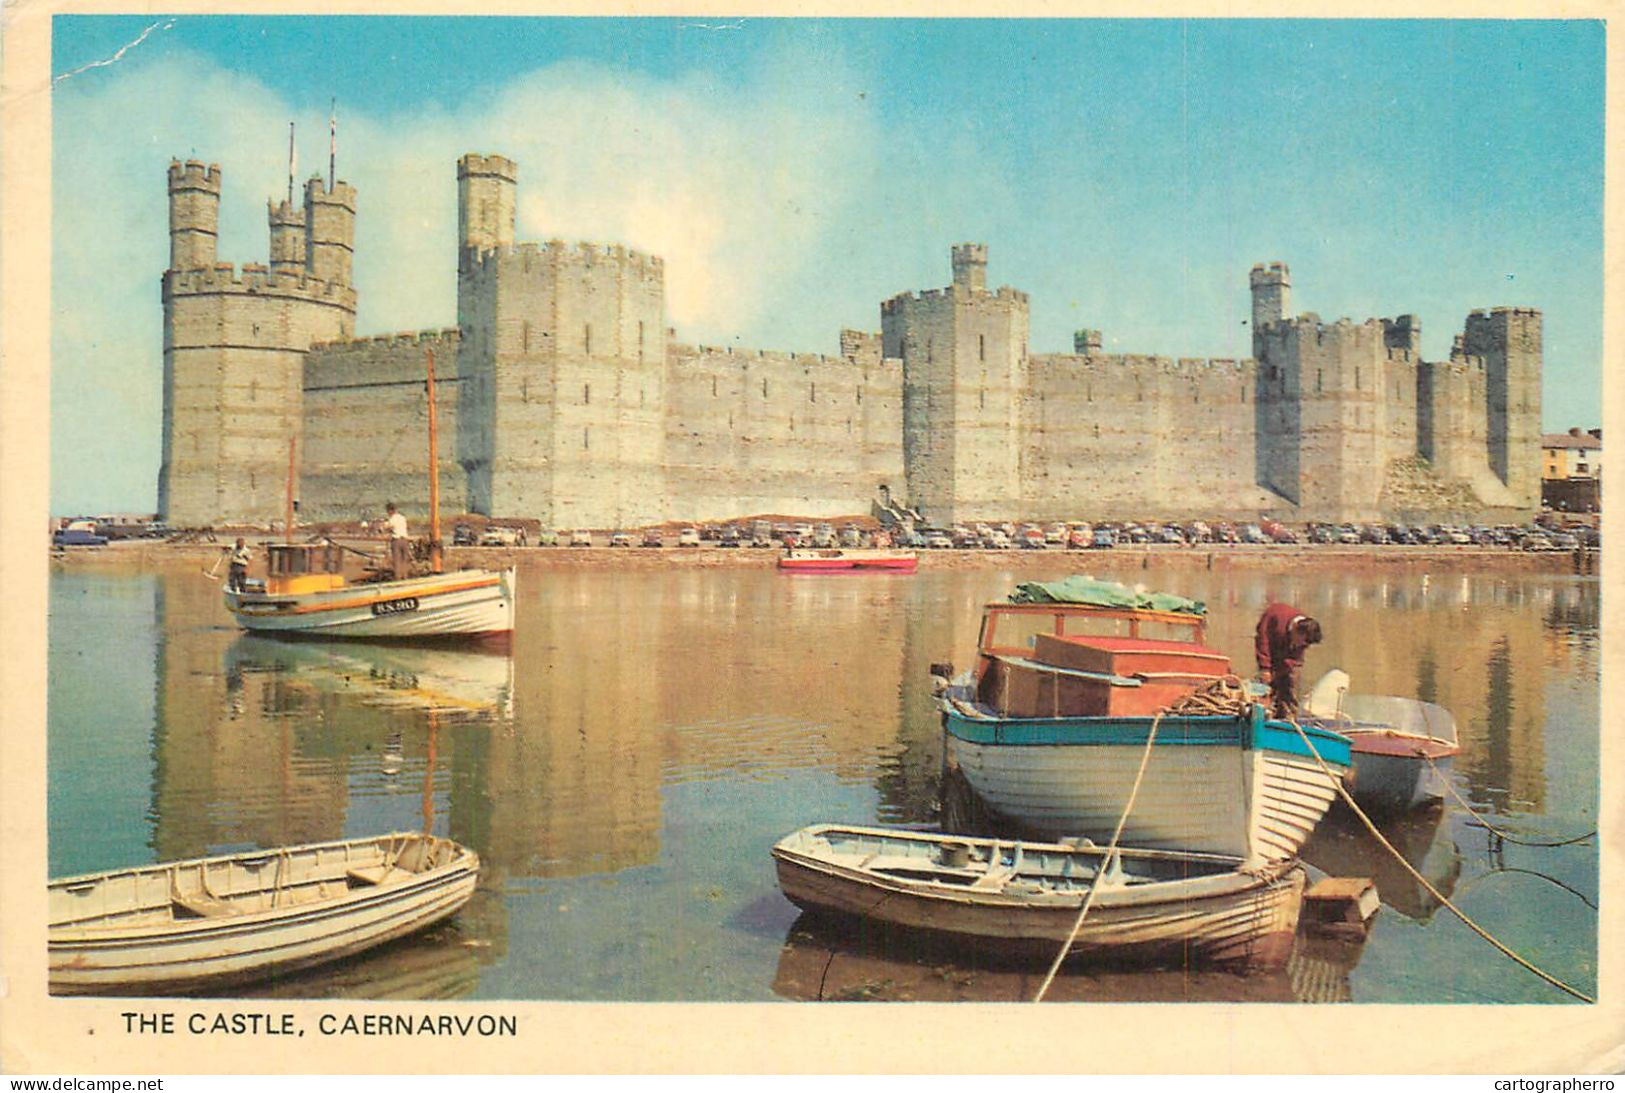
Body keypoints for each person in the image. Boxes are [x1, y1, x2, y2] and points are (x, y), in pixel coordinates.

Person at [1254, 602, 1322, 720]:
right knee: (1266, 687)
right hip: (1273, 649)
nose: (1303, 646)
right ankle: (1265, 714)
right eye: (1303, 642)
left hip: (1287, 659)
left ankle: (1289, 719)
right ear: (1297, 631)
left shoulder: (1306, 633)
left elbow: (1297, 657)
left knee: (1291, 685)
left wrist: (1289, 670)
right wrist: (1265, 668)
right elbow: (1262, 641)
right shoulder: (1276, 615)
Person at [384, 502, 411, 580]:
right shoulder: (402, 517)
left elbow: (387, 527)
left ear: (389, 511)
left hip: (397, 540)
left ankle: (398, 578)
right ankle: (405, 576)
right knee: (405, 560)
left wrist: (385, 524)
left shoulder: (392, 519)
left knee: (397, 561)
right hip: (405, 539)